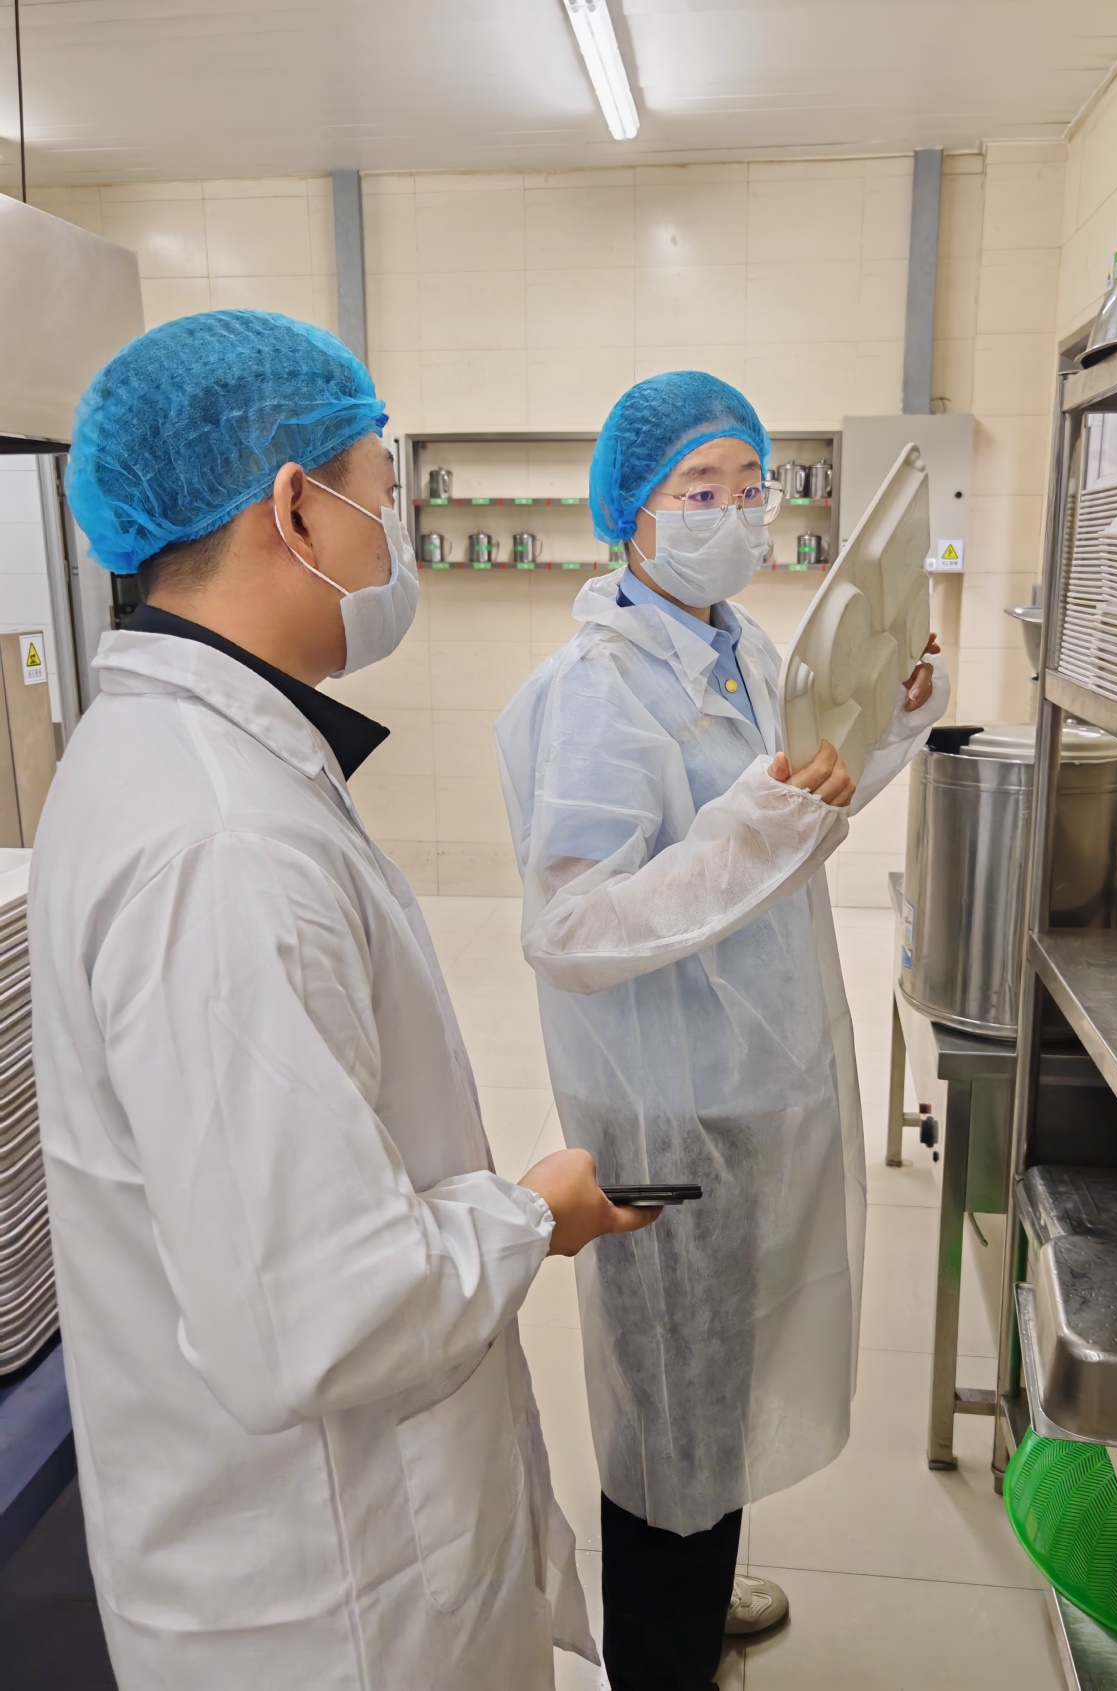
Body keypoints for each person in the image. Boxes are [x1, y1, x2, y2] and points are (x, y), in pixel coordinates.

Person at [29, 309, 659, 1691]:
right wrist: (533, 1214)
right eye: (384, 491)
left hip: (307, 1548)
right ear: (294, 510)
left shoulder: (189, 761)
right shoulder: (221, 842)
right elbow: (315, 1313)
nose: (397, 535)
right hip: (328, 1603)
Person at [495, 371, 949, 1691]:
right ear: (629, 512)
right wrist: (751, 828)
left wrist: (891, 717)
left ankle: (698, 1592)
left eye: (753, 486)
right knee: (670, 1405)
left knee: (720, 1380)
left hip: (751, 1071)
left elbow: (805, 801)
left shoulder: (741, 647)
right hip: (668, 1097)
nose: (737, 512)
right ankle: (661, 1657)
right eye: (701, 489)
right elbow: (572, 929)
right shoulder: (597, 688)